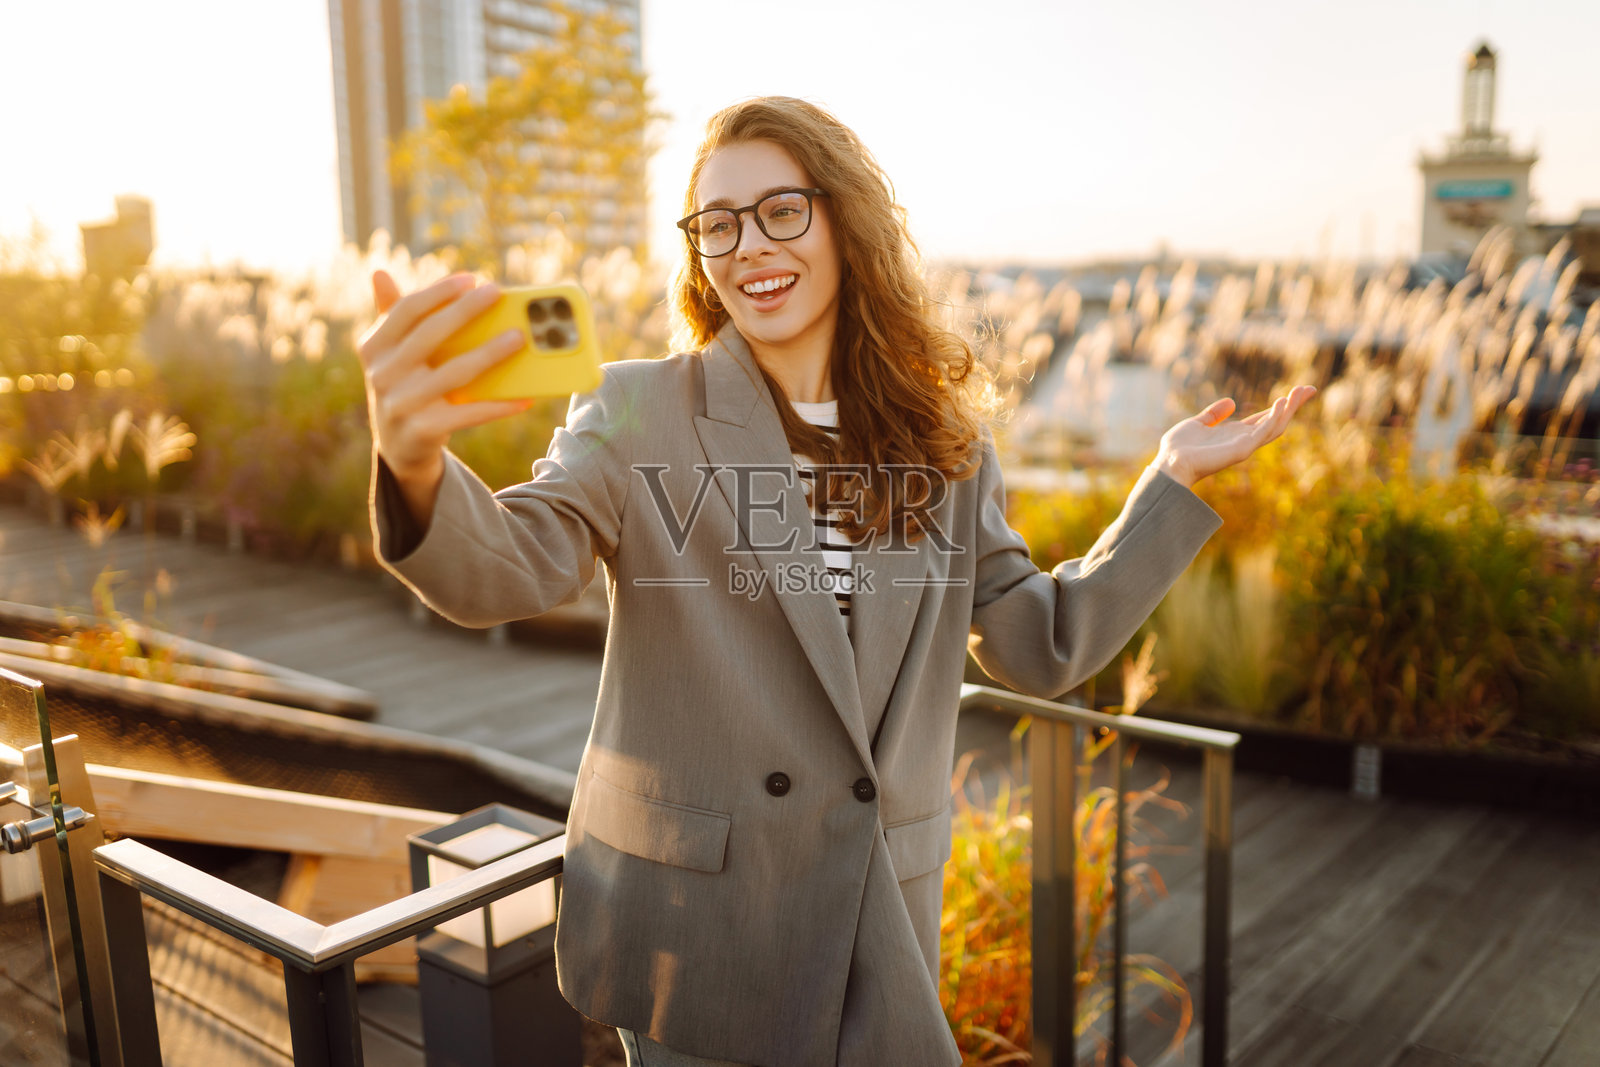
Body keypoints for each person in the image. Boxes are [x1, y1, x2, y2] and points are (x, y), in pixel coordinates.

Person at [360, 96, 1314, 1067]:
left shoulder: (942, 443)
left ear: (842, 218)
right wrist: (416, 465)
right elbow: (513, 560)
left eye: (781, 209)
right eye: (716, 223)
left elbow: (1043, 641)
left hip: (875, 913)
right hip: (696, 925)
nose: (746, 245)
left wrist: (1170, 484)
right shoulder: (639, 406)